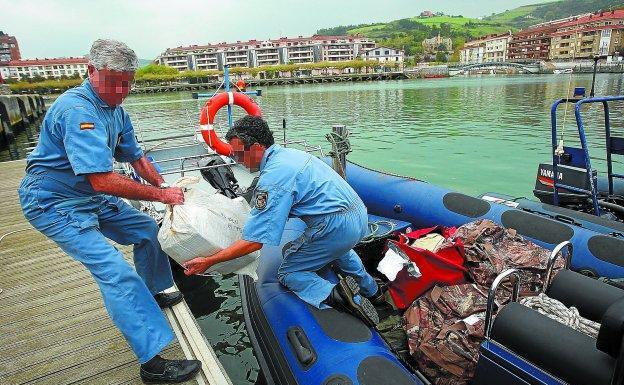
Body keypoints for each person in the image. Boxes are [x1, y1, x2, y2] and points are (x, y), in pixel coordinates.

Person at [18, 39, 201, 383]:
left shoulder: (116, 108)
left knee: (148, 232)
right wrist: (162, 198)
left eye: (128, 81)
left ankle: (149, 293)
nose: (122, 90)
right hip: (53, 202)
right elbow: (102, 180)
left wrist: (163, 187)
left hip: (87, 196)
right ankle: (152, 363)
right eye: (114, 80)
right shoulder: (78, 110)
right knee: (115, 272)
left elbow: (135, 155)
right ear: (91, 72)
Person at [184, 116, 382, 326]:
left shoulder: (273, 179)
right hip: (359, 217)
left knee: (289, 271)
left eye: (239, 154)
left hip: (334, 226)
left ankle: (342, 296)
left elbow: (254, 242)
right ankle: (373, 291)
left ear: (258, 147)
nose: (237, 160)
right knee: (341, 250)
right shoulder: (291, 155)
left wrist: (210, 260)